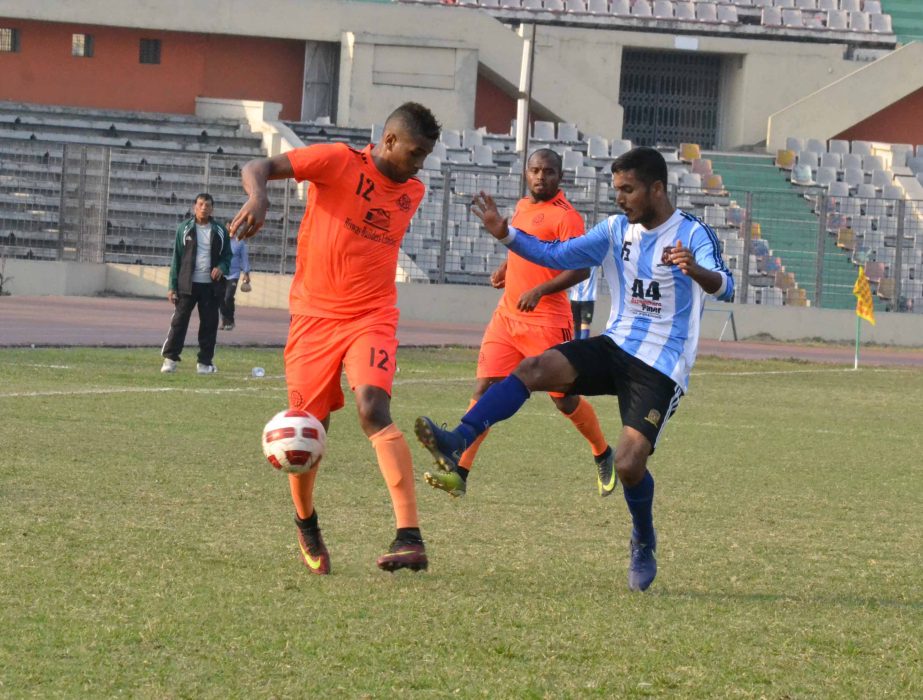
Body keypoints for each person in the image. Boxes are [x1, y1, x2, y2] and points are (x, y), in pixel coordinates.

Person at [415, 147, 734, 591]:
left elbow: (727, 286)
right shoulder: (615, 229)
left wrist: (695, 269)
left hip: (661, 365)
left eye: (628, 190)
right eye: (616, 189)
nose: (619, 199)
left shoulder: (692, 234)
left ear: (656, 189)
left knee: (628, 464)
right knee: (534, 368)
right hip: (615, 344)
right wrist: (506, 235)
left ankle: (643, 537)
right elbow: (558, 255)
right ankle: (458, 439)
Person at [229, 102, 440, 575]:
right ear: (388, 141)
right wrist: (259, 196)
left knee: (373, 409)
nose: (419, 164)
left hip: (372, 317)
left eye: (425, 155)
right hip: (313, 320)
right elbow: (256, 165)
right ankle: (306, 523)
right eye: (415, 152)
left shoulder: (414, 191)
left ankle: (410, 536)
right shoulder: (337, 161)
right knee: (307, 432)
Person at [424, 148, 614, 500]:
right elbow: (523, 247)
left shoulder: (567, 218)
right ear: (526, 173)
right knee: (483, 389)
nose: (541, 177)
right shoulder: (524, 207)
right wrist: (508, 267)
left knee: (565, 402)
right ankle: (460, 471)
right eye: (535, 170)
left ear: (561, 177)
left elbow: (582, 268)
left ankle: (602, 451)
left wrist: (541, 289)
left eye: (549, 172)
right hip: (507, 317)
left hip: (547, 321)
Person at [161, 193, 231, 374]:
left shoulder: (220, 231)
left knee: (209, 324)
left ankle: (204, 363)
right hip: (187, 285)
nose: (204, 208)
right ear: (194, 207)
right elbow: (176, 258)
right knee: (179, 322)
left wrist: (221, 267)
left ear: (212, 209)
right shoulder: (184, 229)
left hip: (210, 286)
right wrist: (172, 286)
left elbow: (227, 256)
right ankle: (170, 360)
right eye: (200, 204)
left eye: (207, 205)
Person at [219, 237, 251, 330]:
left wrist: (246, 273)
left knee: (228, 297)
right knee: (221, 298)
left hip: (234, 274)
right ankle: (225, 321)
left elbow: (244, 258)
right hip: (221, 273)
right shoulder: (221, 240)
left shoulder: (240, 243)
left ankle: (230, 321)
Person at [569, 264, 600, 340]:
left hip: (576, 298)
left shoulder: (574, 261)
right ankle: (581, 347)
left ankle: (577, 346)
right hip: (586, 299)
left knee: (576, 324)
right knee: (583, 324)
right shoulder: (593, 261)